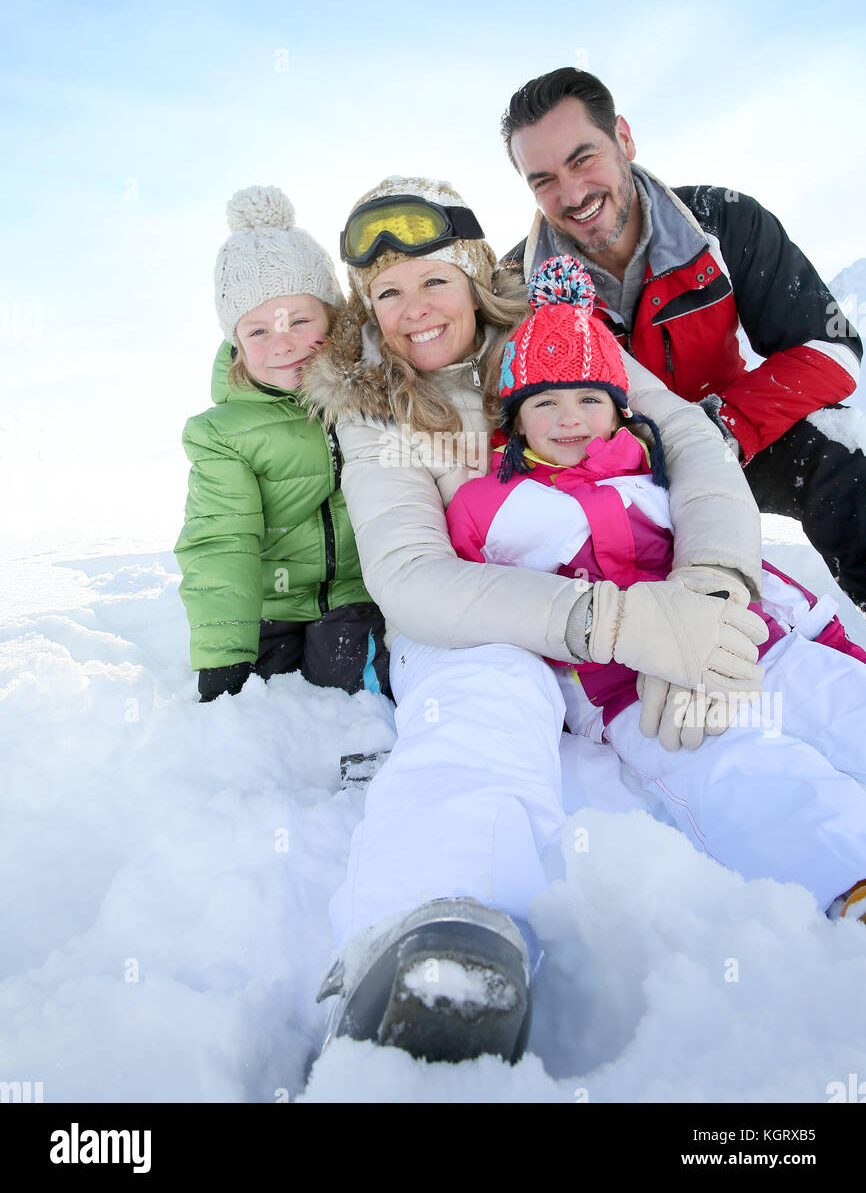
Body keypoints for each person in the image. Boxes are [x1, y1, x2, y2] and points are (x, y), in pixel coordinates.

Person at [301, 175, 768, 1065]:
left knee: (755, 663)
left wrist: (709, 590)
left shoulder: (559, 341)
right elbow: (411, 574)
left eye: (433, 279)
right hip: (494, 621)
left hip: (641, 585)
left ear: (476, 274)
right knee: (484, 693)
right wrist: (611, 622)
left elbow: (693, 443)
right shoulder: (376, 404)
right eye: (386, 293)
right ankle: (421, 933)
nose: (413, 311)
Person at [445, 253, 866, 926]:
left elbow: (729, 550)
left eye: (590, 398)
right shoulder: (487, 506)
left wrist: (806, 624)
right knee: (740, 767)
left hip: (748, 642)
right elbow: (481, 605)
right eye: (544, 402)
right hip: (632, 687)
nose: (569, 418)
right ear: (515, 417)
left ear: (618, 408)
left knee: (845, 702)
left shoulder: (655, 472)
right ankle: (848, 876)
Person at [499, 67, 866, 608]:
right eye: (544, 180)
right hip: (607, 472)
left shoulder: (724, 222)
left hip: (733, 436)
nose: (573, 194)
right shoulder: (517, 287)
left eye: (583, 159)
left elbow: (832, 353)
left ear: (623, 137)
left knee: (836, 457)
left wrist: (723, 427)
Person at [175, 185, 389, 702]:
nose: (284, 344)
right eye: (258, 332)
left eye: (299, 321)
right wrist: (225, 655)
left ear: (332, 314)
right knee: (266, 710)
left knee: (354, 699)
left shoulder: (367, 391)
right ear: (236, 343)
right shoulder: (222, 433)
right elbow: (221, 540)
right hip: (272, 605)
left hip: (355, 601)